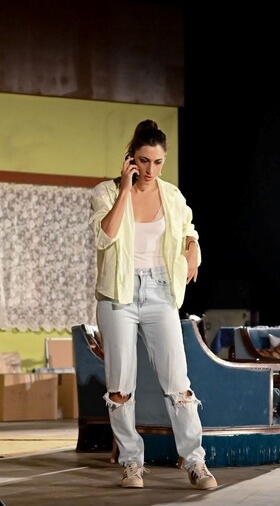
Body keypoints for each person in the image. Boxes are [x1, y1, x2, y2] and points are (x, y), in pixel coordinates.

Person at [88, 119, 218, 490]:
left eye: (157, 162)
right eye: (143, 161)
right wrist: (125, 190)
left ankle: (195, 462)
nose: (150, 170)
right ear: (131, 158)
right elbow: (104, 236)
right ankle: (132, 463)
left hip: (160, 290)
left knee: (178, 383)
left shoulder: (171, 195)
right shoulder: (106, 192)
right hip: (118, 294)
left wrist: (193, 247)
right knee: (120, 386)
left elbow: (188, 228)